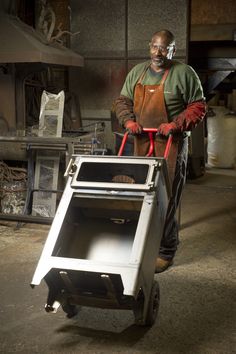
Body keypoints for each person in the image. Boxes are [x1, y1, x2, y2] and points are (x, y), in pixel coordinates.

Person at [114, 29, 206, 273]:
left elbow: (198, 107)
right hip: (143, 140)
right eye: (154, 46)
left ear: (173, 50)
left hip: (171, 144)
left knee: (166, 197)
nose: (158, 52)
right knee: (141, 195)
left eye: (164, 48)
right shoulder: (137, 72)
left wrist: (175, 125)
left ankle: (166, 250)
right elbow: (122, 102)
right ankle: (142, 241)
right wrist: (128, 121)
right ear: (149, 47)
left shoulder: (184, 74)